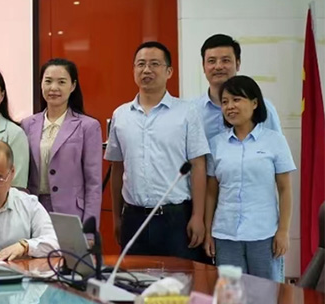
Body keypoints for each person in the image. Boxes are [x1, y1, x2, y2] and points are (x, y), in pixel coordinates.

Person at [105, 41, 209, 260]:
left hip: (176, 218)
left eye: (154, 64)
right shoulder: (120, 115)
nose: (146, 70)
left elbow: (199, 166)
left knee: (179, 280)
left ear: (169, 71)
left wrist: (198, 216)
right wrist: (116, 217)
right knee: (133, 280)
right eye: (141, 64)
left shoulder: (187, 112)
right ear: (133, 70)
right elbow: (117, 168)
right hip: (133, 218)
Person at [204, 76, 295, 280]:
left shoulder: (274, 141)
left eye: (236, 99)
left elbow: (285, 189)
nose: (230, 106)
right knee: (231, 294)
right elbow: (211, 193)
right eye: (225, 102)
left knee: (266, 294)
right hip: (225, 234)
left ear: (254, 103)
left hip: (264, 234)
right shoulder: (216, 144)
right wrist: (208, 232)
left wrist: (283, 231)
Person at [20, 59, 103, 222]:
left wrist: (90, 228)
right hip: (33, 210)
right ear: (41, 84)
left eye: (61, 82)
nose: (53, 88)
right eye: (48, 81)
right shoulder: (27, 125)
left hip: (71, 212)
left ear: (73, 86)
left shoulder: (88, 126)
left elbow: (93, 184)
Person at [194, 34, 283, 141]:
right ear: (203, 66)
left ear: (238, 64)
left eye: (225, 60)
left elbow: (276, 144)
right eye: (211, 61)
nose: (218, 67)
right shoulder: (193, 110)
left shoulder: (262, 107)